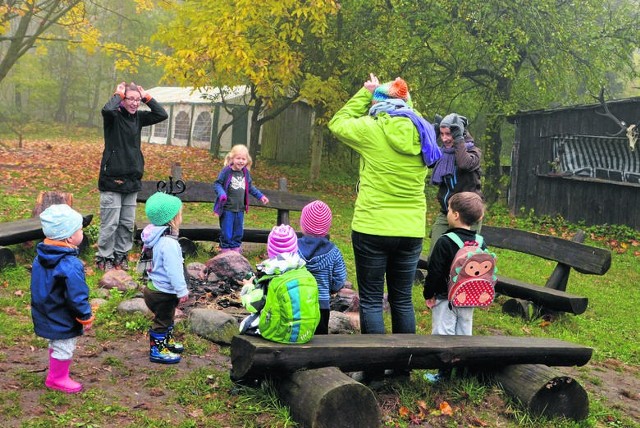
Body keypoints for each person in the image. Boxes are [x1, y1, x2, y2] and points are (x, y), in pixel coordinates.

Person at [328, 73, 440, 337]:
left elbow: (338, 122)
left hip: (372, 227)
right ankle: (403, 366)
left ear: (380, 103)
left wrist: (367, 93)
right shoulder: (425, 133)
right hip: (410, 230)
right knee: (402, 300)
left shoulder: (371, 128)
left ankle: (375, 368)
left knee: (371, 299)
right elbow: (406, 106)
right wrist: (397, 95)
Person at [96, 81, 169, 272]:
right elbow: (106, 110)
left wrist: (147, 97)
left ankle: (121, 255)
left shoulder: (139, 118)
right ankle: (105, 257)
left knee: (127, 224)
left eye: (138, 100)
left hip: (132, 179)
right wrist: (118, 95)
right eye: (131, 99)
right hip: (112, 178)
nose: (135, 103)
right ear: (122, 99)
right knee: (110, 223)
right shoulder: (114, 117)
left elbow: (162, 114)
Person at [31, 204, 94, 393]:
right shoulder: (70, 264)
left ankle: (55, 372)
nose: (81, 233)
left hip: (45, 309)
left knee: (56, 341)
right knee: (65, 345)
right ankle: (57, 378)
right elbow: (77, 295)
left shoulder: (40, 257)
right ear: (69, 237)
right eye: (79, 230)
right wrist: (85, 316)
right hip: (63, 314)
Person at [422, 192, 486, 382]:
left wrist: (429, 293)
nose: (447, 213)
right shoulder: (480, 242)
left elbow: (434, 271)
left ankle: (444, 374)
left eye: (449, 210)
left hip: (445, 297)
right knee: (464, 333)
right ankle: (462, 372)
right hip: (470, 298)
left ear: (456, 215)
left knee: (444, 334)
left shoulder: (445, 241)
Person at [141, 192, 189, 364]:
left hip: (153, 288)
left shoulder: (153, 236)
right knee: (162, 321)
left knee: (167, 318)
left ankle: (166, 342)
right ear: (172, 219)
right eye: (180, 214)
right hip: (163, 292)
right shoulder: (168, 243)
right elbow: (174, 270)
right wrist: (181, 290)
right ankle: (157, 350)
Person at [427, 113, 483, 259]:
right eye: (442, 134)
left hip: (468, 215)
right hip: (447, 212)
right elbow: (428, 159)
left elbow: (464, 163)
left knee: (464, 259)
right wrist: (432, 135)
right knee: (434, 255)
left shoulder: (474, 152)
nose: (444, 138)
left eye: (449, 134)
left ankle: (460, 283)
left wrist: (459, 139)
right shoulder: (443, 153)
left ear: (459, 133)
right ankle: (435, 281)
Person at [297, 200, 348, 334]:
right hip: (321, 304)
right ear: (327, 227)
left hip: (296, 301)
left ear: (303, 224)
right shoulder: (334, 252)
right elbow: (340, 278)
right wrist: (333, 288)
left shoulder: (293, 248)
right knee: (319, 340)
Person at [213, 144, 269, 253]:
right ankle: (225, 250)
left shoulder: (245, 173)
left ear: (247, 160)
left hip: (240, 209)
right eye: (238, 158)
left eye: (243, 159)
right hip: (227, 208)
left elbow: (250, 187)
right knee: (227, 231)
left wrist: (260, 196)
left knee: (238, 231)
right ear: (232, 158)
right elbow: (217, 184)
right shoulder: (226, 171)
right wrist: (222, 194)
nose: (241, 161)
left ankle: (235, 249)